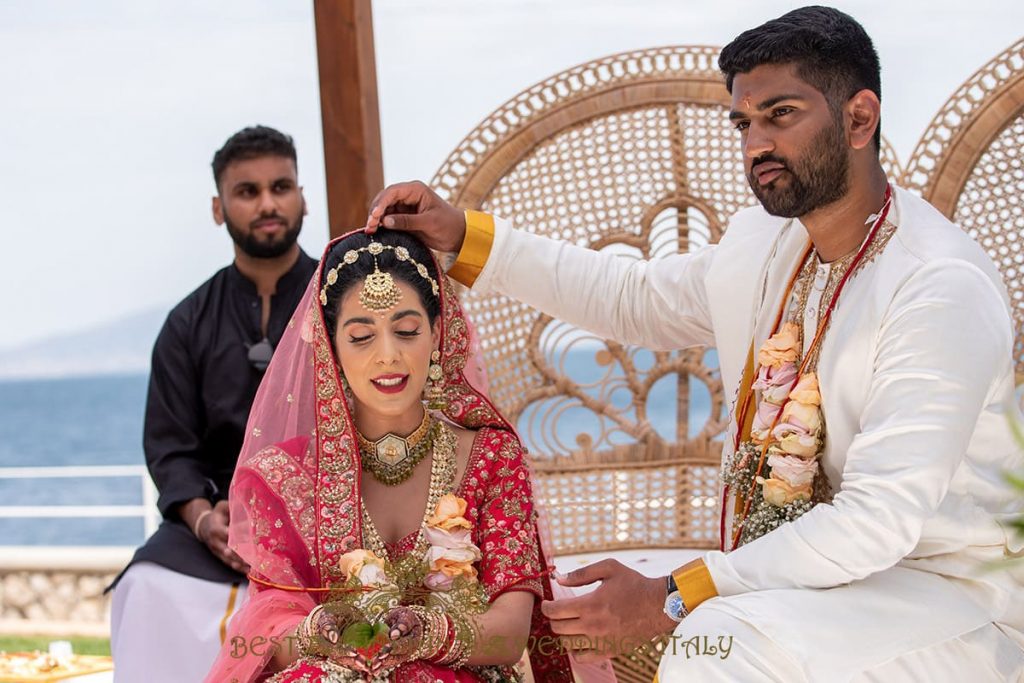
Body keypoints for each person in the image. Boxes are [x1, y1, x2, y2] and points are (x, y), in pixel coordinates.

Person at [364, 7, 1024, 681]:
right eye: (744, 122)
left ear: (859, 118)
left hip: (947, 598)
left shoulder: (940, 287)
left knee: (721, 641)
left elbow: (877, 523)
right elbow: (630, 296)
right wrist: (466, 235)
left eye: (782, 114)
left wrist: (675, 592)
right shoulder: (767, 244)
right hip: (811, 589)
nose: (756, 144)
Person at [204, 228, 576, 682]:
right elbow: (265, 627)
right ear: (331, 349)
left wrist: (423, 636)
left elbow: (510, 633)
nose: (388, 355)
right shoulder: (287, 477)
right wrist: (315, 633)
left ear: (437, 333)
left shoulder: (491, 457)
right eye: (361, 337)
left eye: (406, 331)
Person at [108, 125, 318, 682]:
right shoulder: (187, 323)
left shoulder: (341, 303)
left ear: (303, 197)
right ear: (219, 208)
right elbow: (171, 450)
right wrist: (207, 522)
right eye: (247, 192)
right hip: (217, 527)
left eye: (281, 186)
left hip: (330, 522)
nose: (268, 203)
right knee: (146, 584)